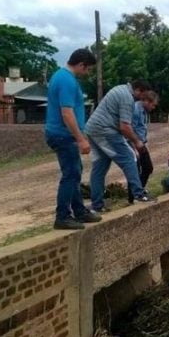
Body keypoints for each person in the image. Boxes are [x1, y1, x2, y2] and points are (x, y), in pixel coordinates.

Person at [44, 49, 102, 230]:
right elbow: (67, 113)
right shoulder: (66, 81)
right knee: (71, 174)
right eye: (88, 69)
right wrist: (81, 139)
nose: (88, 73)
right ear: (81, 64)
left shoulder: (62, 77)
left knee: (75, 171)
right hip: (62, 135)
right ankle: (62, 216)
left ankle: (79, 211)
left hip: (62, 134)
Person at [86, 79, 155, 212]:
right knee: (130, 157)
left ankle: (97, 205)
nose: (142, 99)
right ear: (138, 90)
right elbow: (124, 127)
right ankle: (138, 195)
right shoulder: (127, 98)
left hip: (92, 129)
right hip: (104, 130)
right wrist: (137, 142)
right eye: (143, 96)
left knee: (100, 167)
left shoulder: (121, 89)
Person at [132, 91, 159, 188]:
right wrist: (134, 145)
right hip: (135, 144)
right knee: (135, 170)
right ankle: (135, 194)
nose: (153, 108)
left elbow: (141, 128)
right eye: (153, 105)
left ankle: (139, 190)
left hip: (141, 143)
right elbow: (131, 128)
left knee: (147, 168)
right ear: (147, 101)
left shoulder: (144, 112)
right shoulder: (135, 110)